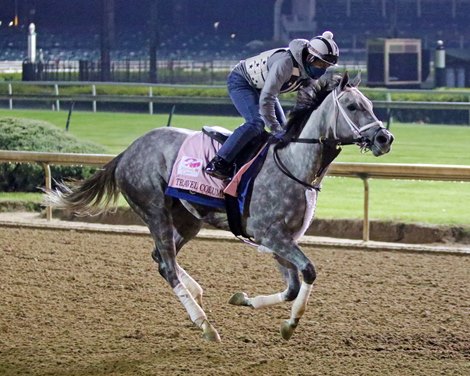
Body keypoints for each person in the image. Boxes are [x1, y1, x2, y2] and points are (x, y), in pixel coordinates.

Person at [205, 31, 340, 180]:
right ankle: (219, 162)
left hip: (263, 89)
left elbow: (305, 104)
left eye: (326, 66)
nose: (323, 69)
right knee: (257, 122)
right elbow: (267, 98)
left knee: (286, 131)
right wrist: (274, 127)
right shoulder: (285, 63)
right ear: (310, 57)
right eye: (321, 63)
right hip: (242, 82)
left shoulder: (308, 73)